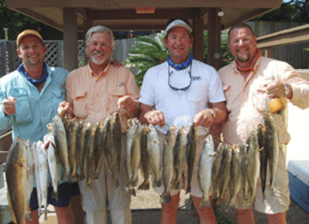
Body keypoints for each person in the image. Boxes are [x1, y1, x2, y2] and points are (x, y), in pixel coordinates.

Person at [218, 23, 309, 224]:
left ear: (255, 40)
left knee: (275, 210)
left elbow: (307, 93)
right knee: (242, 208)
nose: (241, 44)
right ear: (230, 45)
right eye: (235, 40)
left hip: (270, 156)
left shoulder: (278, 68)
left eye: (246, 39)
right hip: (236, 155)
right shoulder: (222, 74)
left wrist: (285, 88)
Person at [139, 18, 227, 224]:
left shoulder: (207, 72)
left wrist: (212, 114)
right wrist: (149, 115)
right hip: (165, 144)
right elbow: (143, 111)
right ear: (166, 41)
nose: (178, 42)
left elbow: (222, 111)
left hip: (200, 146)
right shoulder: (153, 74)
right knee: (169, 209)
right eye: (173, 37)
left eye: (183, 37)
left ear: (191, 41)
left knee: (205, 207)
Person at [58, 25, 140, 224]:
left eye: (104, 44)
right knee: (93, 205)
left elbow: (137, 110)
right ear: (86, 47)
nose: (99, 48)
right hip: (86, 147)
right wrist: (64, 113)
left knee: (120, 202)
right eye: (94, 43)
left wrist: (131, 105)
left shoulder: (124, 74)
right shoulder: (73, 78)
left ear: (111, 49)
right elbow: (69, 114)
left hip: (119, 145)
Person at [0, 30, 82, 224]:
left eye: (36, 45)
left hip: (58, 157)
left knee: (63, 208)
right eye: (26, 47)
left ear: (44, 49)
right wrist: (5, 112)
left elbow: (84, 95)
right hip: (24, 161)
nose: (32, 51)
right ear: (19, 52)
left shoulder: (63, 77)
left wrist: (112, 65)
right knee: (29, 213)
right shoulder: (6, 84)